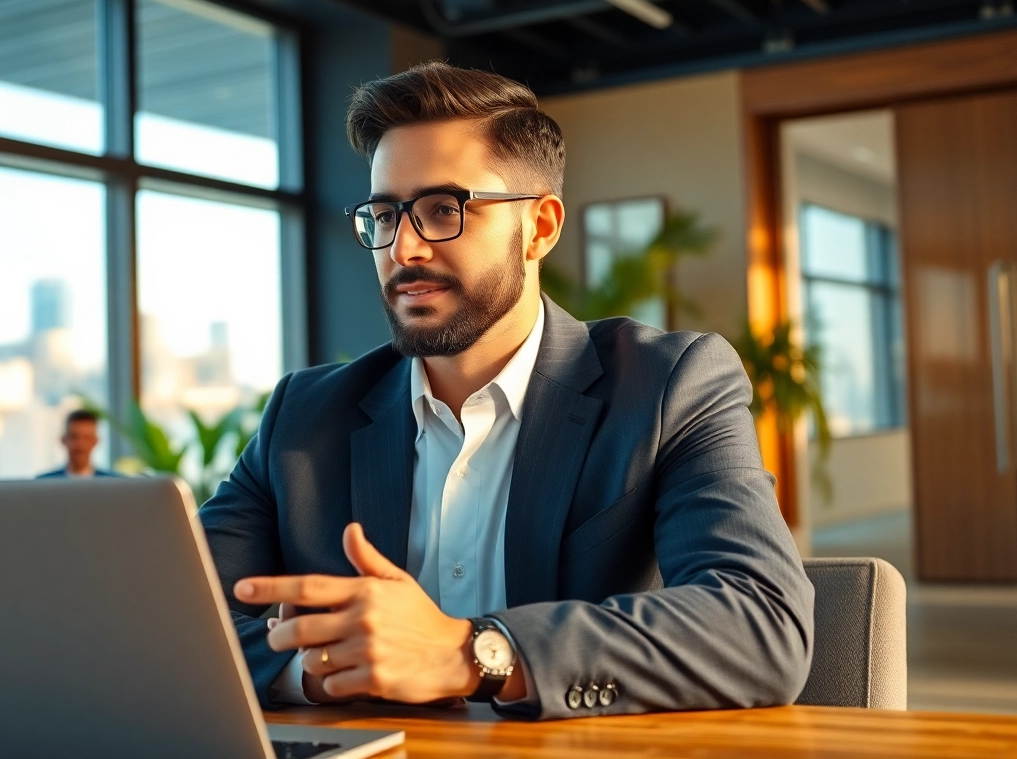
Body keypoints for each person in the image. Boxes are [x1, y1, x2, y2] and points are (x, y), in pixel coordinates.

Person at [200, 62, 813, 720]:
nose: (403, 247)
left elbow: (762, 621)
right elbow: (163, 616)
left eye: (443, 209)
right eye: (384, 214)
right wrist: (323, 670)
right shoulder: (305, 415)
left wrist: (473, 654)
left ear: (541, 227)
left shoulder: (670, 386)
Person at [37, 409, 117, 478]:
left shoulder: (115, 484)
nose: (80, 444)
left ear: (96, 441)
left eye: (87, 438)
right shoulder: (42, 483)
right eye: (74, 437)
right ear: (63, 440)